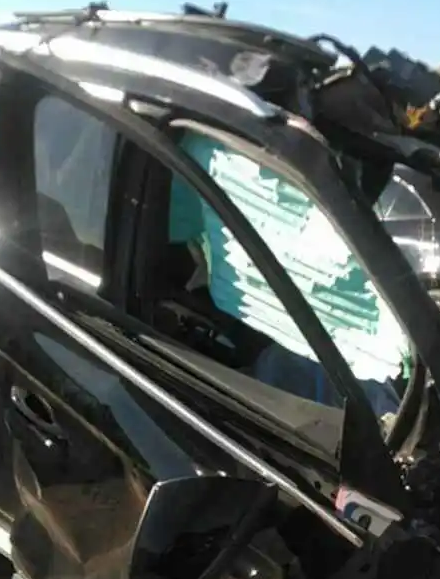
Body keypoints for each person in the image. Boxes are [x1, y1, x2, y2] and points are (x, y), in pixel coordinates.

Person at [168, 135, 406, 417]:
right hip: (335, 326)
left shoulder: (196, 146)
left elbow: (180, 230)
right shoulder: (286, 140)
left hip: (266, 310)